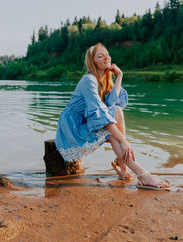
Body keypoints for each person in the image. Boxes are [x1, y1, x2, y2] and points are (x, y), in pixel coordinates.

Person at [55, 43, 170, 190]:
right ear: (93, 62)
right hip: (72, 129)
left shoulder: (104, 80)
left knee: (116, 112)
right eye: (100, 56)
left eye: (107, 54)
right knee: (116, 125)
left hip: (87, 122)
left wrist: (119, 75)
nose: (106, 57)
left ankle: (127, 169)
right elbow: (100, 114)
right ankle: (142, 175)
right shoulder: (88, 80)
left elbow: (111, 102)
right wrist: (124, 141)